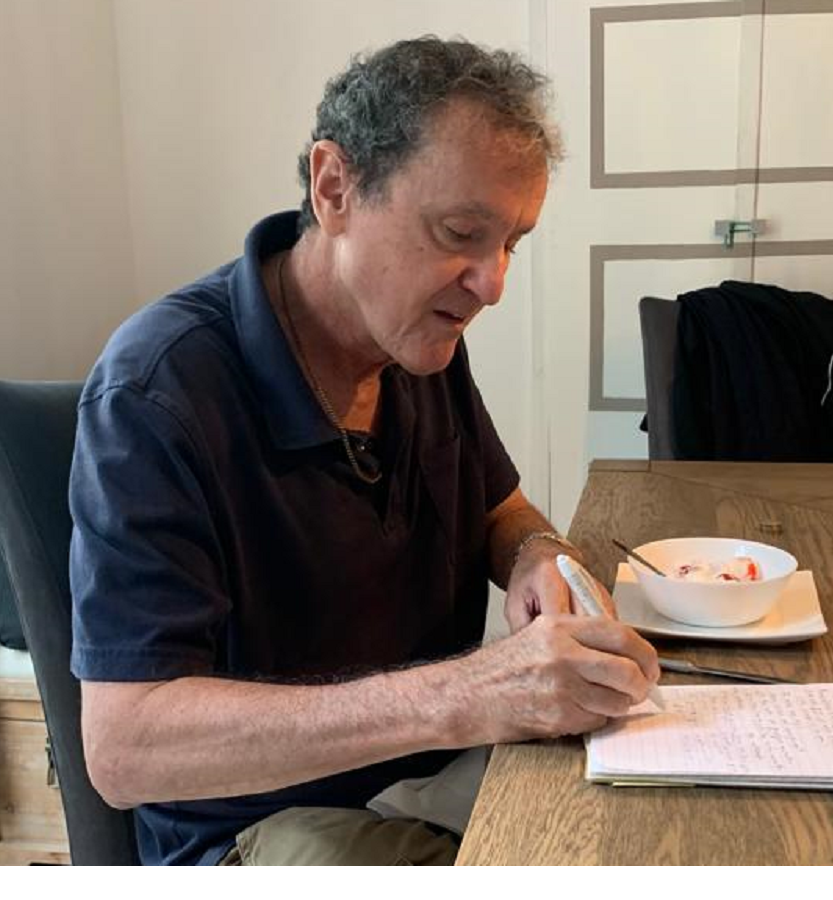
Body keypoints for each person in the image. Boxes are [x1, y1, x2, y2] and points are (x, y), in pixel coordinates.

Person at [69, 36, 659, 866]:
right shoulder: (158, 392)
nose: (492, 283)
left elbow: (500, 508)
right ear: (335, 187)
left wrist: (536, 554)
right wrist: (464, 695)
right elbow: (124, 748)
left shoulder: (417, 344)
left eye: (512, 242)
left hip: (433, 779)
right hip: (261, 831)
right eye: (462, 232)